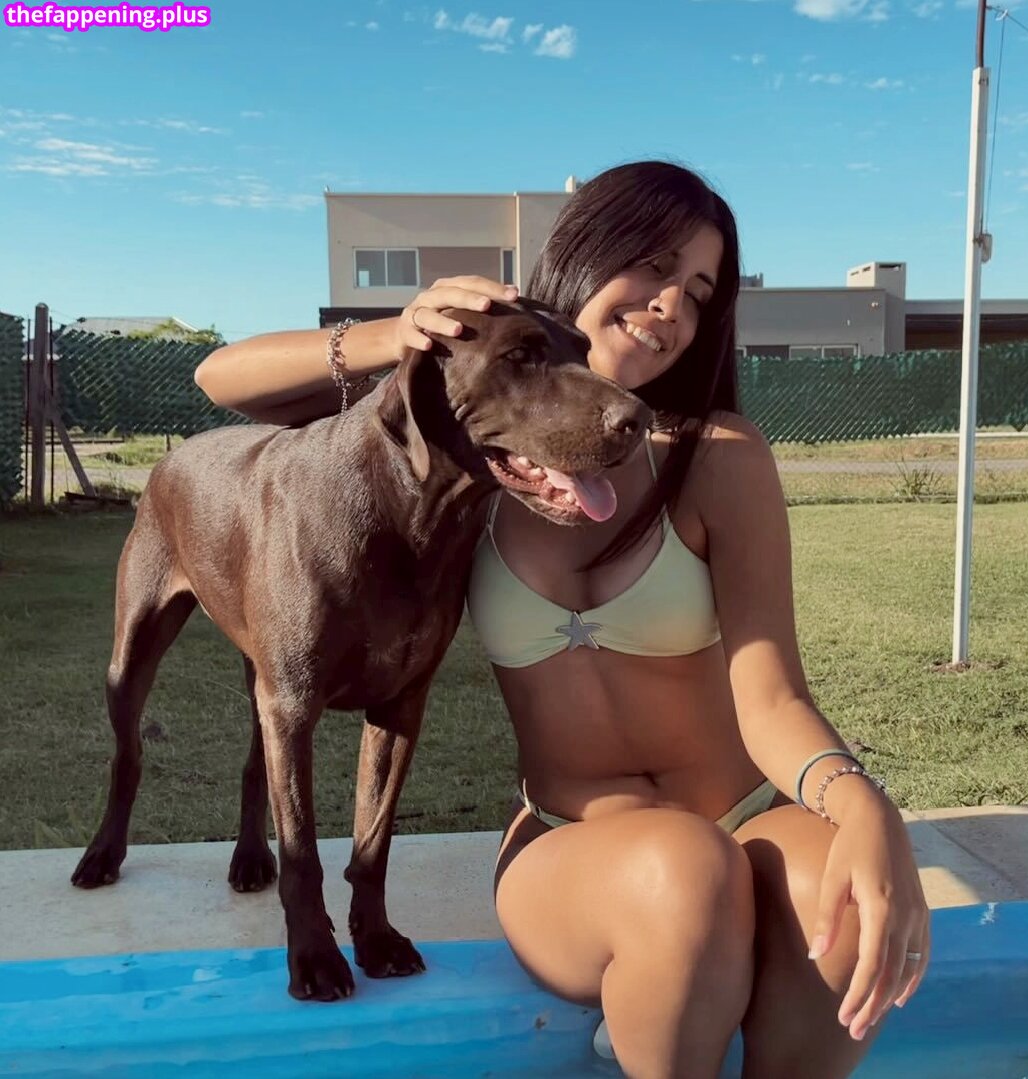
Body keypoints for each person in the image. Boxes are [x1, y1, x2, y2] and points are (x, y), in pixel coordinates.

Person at [194, 160, 929, 1079]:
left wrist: (861, 802)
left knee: (845, 907)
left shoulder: (718, 456)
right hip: (574, 841)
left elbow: (769, 694)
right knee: (684, 873)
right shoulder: (472, 456)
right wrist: (400, 330)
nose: (672, 304)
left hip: (746, 818)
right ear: (586, 250)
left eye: (700, 292)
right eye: (654, 264)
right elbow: (220, 378)